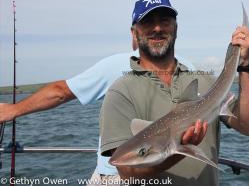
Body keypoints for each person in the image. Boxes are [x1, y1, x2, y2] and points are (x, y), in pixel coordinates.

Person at [100, 0, 249, 186]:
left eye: (164, 21)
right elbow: (128, 172)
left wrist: (243, 65)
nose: (157, 28)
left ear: (175, 29)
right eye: (148, 22)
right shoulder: (120, 92)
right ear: (134, 33)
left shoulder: (205, 81)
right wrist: (180, 148)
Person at [0, 28, 195, 184]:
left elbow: (61, 92)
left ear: (134, 34)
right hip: (169, 169)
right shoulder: (189, 67)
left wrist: (13, 110)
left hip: (117, 176)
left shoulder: (115, 65)